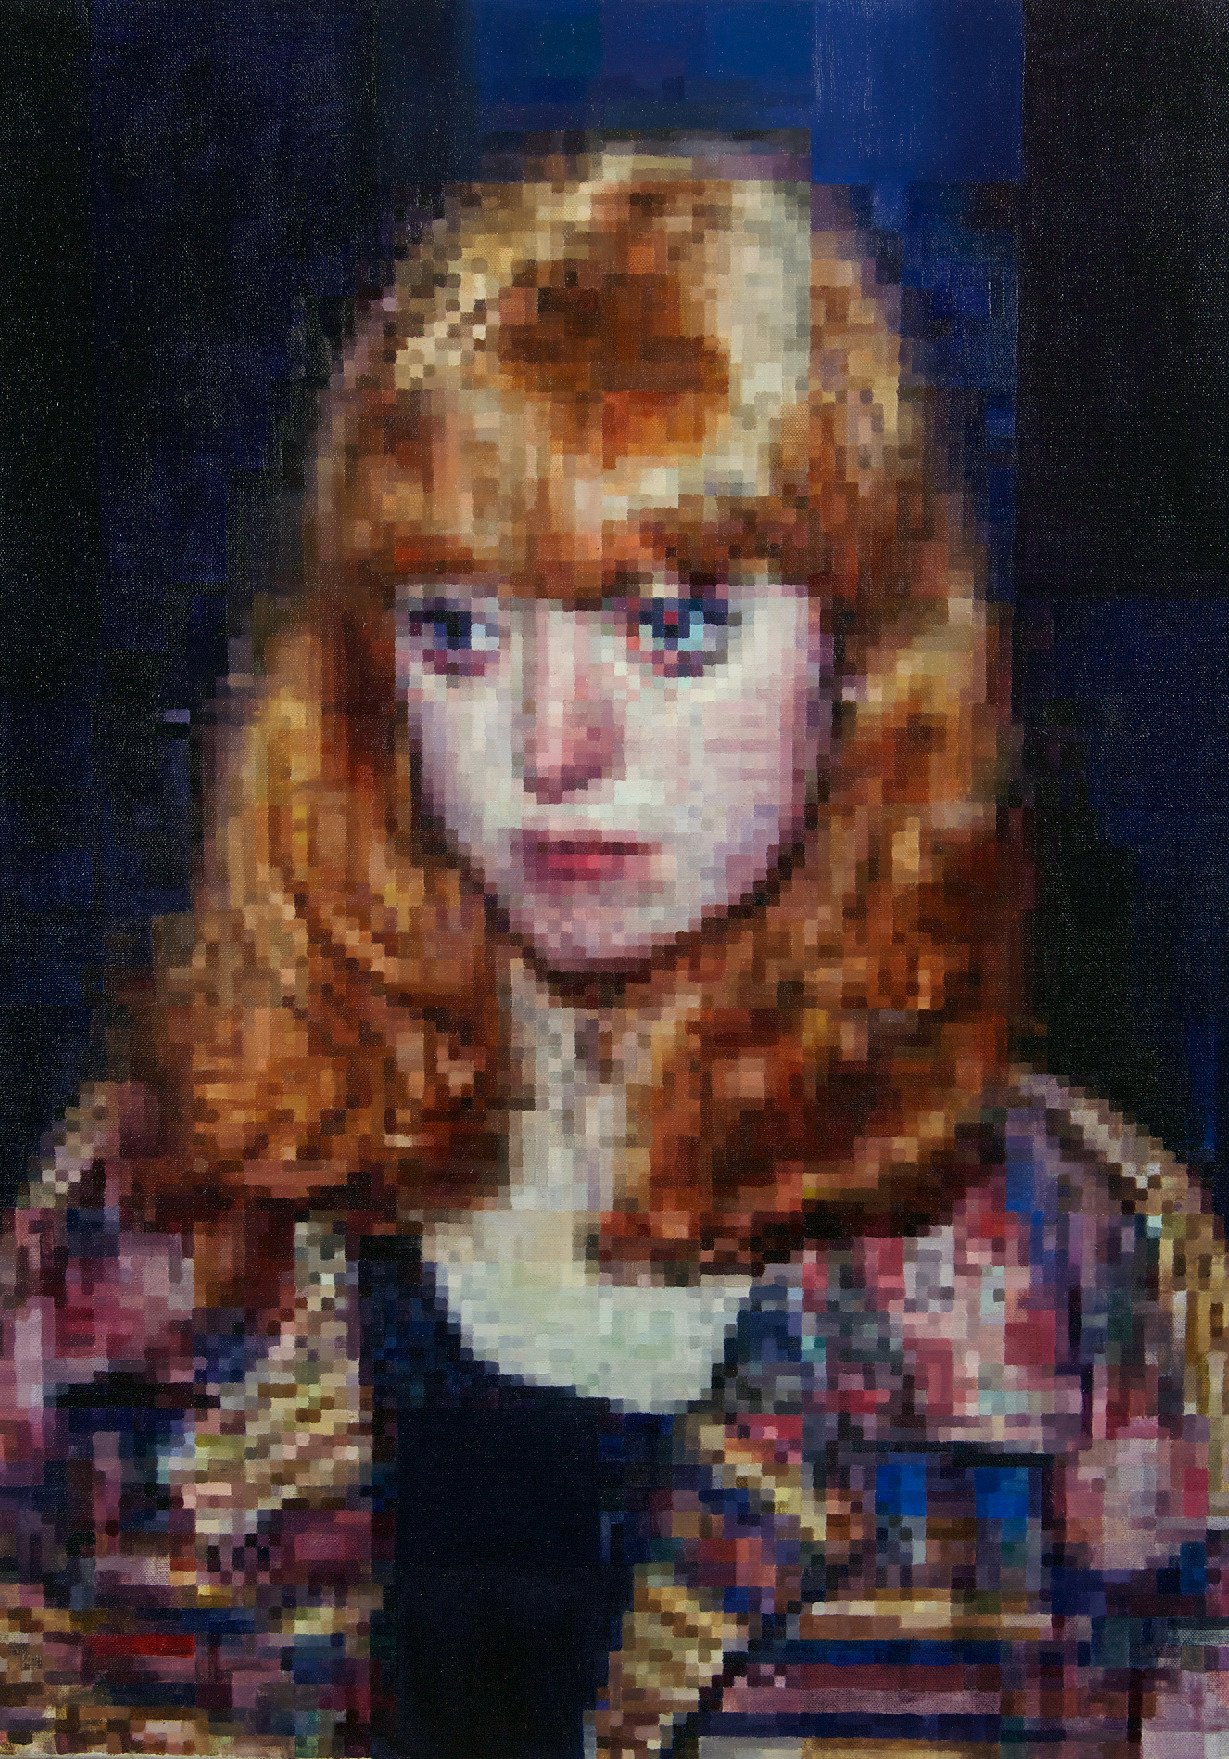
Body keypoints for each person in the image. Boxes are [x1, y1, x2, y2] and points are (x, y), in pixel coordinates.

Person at [2, 140, 1226, 1758]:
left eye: (670, 626)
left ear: (857, 660)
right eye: (458, 629)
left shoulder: (1081, 1276)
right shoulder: (140, 1228)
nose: (550, 747)